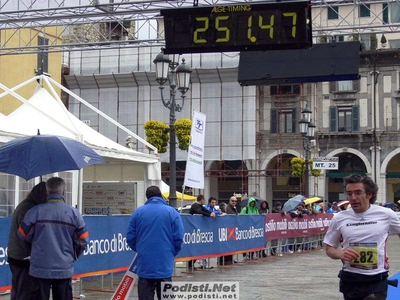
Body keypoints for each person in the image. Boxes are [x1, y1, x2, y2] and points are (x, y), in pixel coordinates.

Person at [323, 174, 400, 300]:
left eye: (358, 193)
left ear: (369, 194)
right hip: (351, 279)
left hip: (377, 278)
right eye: (349, 194)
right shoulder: (339, 218)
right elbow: (329, 248)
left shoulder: (386, 214)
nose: (353, 198)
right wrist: (341, 254)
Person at [18, 177, 89, 300]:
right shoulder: (74, 214)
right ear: (63, 192)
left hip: (39, 268)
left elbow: (22, 235)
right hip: (64, 268)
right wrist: (72, 256)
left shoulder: (35, 212)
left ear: (47, 192)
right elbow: (83, 240)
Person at [127, 185, 184, 300]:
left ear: (147, 197)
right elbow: (179, 237)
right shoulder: (172, 212)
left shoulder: (138, 213)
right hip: (164, 264)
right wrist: (171, 252)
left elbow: (130, 238)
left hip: (145, 265)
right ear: (161, 196)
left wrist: (140, 249)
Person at [8, 182, 47, 300]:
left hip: (16, 255)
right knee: (25, 292)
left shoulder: (25, 206)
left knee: (19, 290)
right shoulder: (29, 209)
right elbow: (29, 234)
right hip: (23, 257)